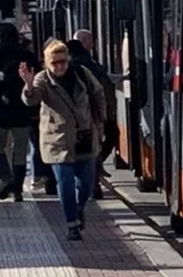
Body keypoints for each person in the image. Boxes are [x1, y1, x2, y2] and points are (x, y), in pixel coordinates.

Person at [21, 39, 107, 241]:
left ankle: (79, 207)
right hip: (57, 140)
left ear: (68, 60)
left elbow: (98, 94)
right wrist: (28, 84)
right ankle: (72, 225)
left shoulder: (82, 74)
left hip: (84, 135)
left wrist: (101, 120)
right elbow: (31, 100)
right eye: (54, 63)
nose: (59, 66)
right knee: (65, 182)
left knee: (86, 183)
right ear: (47, 63)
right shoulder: (42, 80)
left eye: (62, 61)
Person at [0, 23, 40, 201]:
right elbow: (37, 78)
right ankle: (17, 190)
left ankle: (6, 177)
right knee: (21, 150)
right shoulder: (26, 55)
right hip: (23, 109)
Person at [67, 34, 118, 197]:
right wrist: (104, 115)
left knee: (86, 152)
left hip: (82, 118)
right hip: (96, 116)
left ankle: (91, 186)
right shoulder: (91, 64)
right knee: (95, 148)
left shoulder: (73, 68)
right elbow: (102, 91)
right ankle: (94, 182)